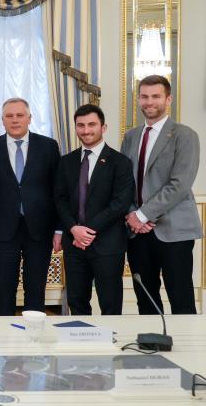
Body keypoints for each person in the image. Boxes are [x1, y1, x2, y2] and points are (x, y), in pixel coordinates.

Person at [124, 75, 202, 315]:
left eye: (156, 96)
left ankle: (188, 351)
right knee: (145, 299)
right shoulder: (131, 136)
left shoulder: (185, 135)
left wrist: (143, 214)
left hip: (173, 231)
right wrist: (131, 215)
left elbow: (179, 184)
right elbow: (123, 182)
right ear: (138, 99)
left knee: (181, 298)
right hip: (138, 233)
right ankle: (152, 347)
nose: (149, 102)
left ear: (168, 99)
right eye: (144, 96)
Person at [0, 97, 60, 316]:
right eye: (9, 116)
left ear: (29, 118)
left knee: (35, 288)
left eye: (19, 115)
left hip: (40, 230)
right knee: (4, 289)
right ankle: (5, 335)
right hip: (2, 231)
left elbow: (59, 192)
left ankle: (32, 339)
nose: (15, 120)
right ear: (2, 120)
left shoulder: (48, 147)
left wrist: (59, 229)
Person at [54, 104, 134, 315]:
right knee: (77, 300)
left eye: (91, 124)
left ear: (103, 127)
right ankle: (81, 346)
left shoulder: (120, 162)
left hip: (107, 244)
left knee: (110, 302)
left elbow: (120, 203)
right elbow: (59, 200)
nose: (86, 130)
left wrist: (86, 230)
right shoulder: (66, 162)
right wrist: (73, 228)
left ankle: (110, 346)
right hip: (74, 244)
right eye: (80, 125)